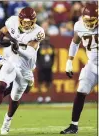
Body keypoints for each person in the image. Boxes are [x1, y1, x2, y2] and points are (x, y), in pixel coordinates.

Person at [0, 7, 45, 135]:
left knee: (15, 98)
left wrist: (17, 47)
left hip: (26, 68)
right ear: (20, 20)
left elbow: (30, 55)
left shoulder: (38, 32)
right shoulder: (12, 21)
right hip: (12, 60)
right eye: (24, 22)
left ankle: (7, 122)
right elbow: (2, 32)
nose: (27, 25)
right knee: (1, 84)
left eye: (29, 22)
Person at [60, 3, 98, 134]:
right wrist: (69, 61)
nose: (89, 23)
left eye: (93, 20)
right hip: (92, 66)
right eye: (87, 20)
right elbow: (75, 42)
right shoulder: (79, 25)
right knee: (81, 90)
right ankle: (73, 125)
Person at [36, 36, 54, 103]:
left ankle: (48, 97)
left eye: (47, 40)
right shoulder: (40, 48)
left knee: (48, 83)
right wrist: (39, 66)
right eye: (45, 40)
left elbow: (53, 57)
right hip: (41, 68)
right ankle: (40, 97)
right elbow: (37, 57)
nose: (46, 41)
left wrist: (51, 65)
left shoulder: (51, 47)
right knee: (40, 83)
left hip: (49, 68)